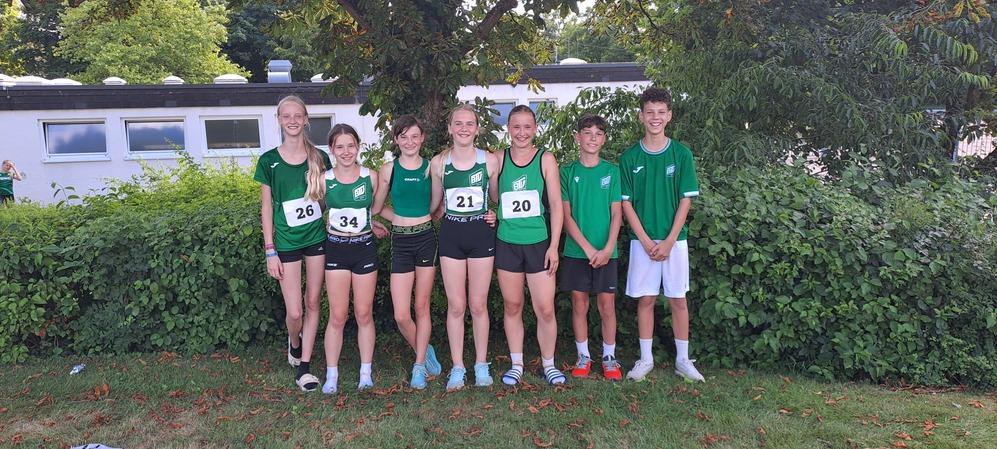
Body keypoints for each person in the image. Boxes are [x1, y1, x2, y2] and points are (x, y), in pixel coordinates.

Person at [620, 87, 705, 382]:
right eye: (649, 112)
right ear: (641, 116)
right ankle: (645, 359)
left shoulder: (681, 154)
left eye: (660, 112)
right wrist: (645, 240)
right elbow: (626, 203)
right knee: (645, 300)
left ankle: (683, 360)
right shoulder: (629, 157)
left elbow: (686, 200)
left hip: (674, 241)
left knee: (678, 299)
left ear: (669, 116)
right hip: (641, 241)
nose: (655, 117)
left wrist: (669, 240)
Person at [253, 95, 330, 392]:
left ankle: (304, 368)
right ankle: (294, 340)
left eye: (298, 115)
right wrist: (269, 249)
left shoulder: (319, 157)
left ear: (306, 119)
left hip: (316, 239)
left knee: (313, 302)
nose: (293, 121)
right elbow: (266, 208)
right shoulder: (268, 161)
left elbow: (329, 199)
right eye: (287, 116)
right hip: (286, 242)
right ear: (279, 120)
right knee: (295, 312)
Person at [491, 105, 566, 386]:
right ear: (508, 129)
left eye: (527, 127)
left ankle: (549, 364)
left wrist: (554, 246)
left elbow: (556, 205)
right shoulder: (498, 159)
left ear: (535, 129)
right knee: (512, 305)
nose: (521, 132)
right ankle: (517, 364)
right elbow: (493, 197)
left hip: (538, 243)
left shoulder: (545, 158)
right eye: (516, 127)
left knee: (545, 308)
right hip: (508, 242)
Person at [370, 115, 444, 390]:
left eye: (415, 136)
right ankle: (425, 348)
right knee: (401, 314)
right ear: (396, 140)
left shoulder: (431, 168)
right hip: (400, 240)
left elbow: (435, 205)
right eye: (404, 137)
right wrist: (398, 218)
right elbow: (377, 207)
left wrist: (422, 217)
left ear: (422, 137)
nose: (410, 141)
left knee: (421, 307)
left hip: (425, 239)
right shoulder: (389, 170)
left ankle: (419, 365)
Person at [430, 104, 499, 391]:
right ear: (449, 128)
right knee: (457, 305)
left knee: (478, 304)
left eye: (470, 124)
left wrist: (495, 214)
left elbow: (497, 198)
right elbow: (434, 206)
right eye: (458, 123)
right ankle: (458, 366)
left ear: (477, 129)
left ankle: (481, 364)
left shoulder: (490, 161)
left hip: (481, 234)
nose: (464, 128)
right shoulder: (438, 163)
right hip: (452, 235)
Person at [559, 114, 623, 381]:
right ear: (578, 137)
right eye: (587, 133)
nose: (592, 138)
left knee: (607, 305)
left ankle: (609, 357)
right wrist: (587, 249)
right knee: (579, 303)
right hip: (577, 252)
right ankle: (583, 356)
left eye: (598, 134)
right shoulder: (566, 172)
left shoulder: (612, 171)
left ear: (604, 139)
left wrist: (607, 248)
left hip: (607, 251)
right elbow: (565, 216)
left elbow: (617, 214)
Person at [321, 123, 384, 394]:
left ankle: (365, 373)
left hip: (363, 249)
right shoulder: (323, 179)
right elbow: (315, 212)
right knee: (337, 315)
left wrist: (375, 223)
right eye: (340, 147)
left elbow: (374, 210)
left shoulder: (371, 177)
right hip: (336, 249)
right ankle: (331, 375)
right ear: (331, 149)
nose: (346, 151)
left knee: (363, 313)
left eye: (351, 145)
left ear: (358, 146)